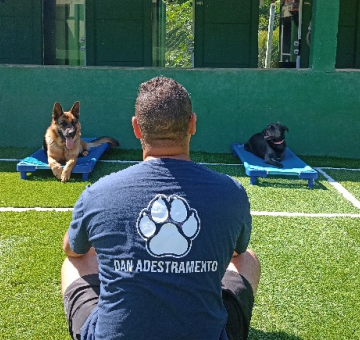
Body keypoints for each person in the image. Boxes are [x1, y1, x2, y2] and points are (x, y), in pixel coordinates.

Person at [61, 76, 260, 340]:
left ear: (136, 128)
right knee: (248, 259)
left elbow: (73, 251)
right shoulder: (232, 193)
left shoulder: (97, 193)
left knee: (77, 258)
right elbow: (238, 252)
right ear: (192, 124)